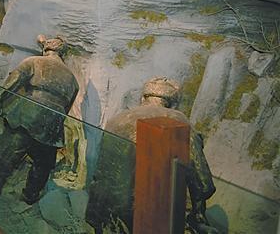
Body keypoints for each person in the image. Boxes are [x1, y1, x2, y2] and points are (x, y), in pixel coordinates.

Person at [85, 77, 218, 234]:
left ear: (143, 98)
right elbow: (203, 184)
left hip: (101, 211)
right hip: (141, 219)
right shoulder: (176, 119)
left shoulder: (117, 119)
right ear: (173, 103)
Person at [0, 35, 79, 213]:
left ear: (46, 49)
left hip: (26, 118)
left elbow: (12, 83)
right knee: (42, 167)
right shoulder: (73, 80)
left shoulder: (34, 61)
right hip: (51, 128)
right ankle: (30, 197)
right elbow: (65, 110)